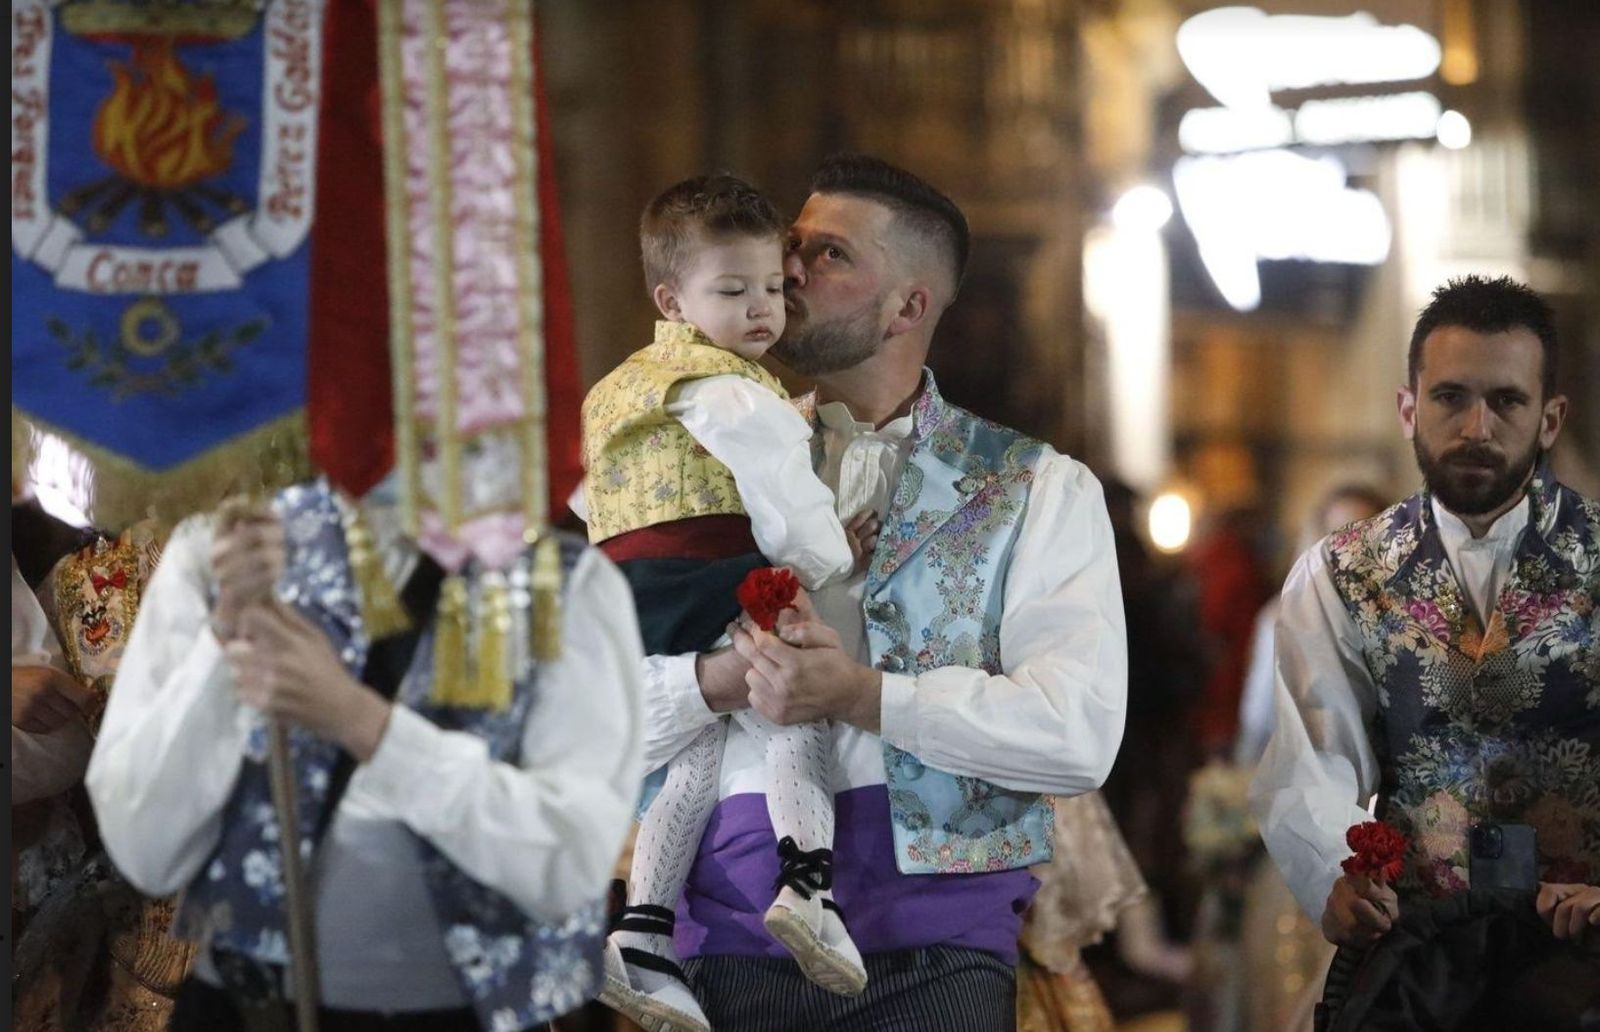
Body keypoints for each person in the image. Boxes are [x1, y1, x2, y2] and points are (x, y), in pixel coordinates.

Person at [636, 154, 1128, 1031]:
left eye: (827, 255)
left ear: (910, 305)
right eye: (790, 245)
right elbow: (597, 716)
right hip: (725, 950)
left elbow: (1076, 734)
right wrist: (718, 680)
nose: (787, 270)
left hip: (934, 954)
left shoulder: (1039, 488)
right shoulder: (703, 460)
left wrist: (862, 696)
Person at [84, 480, 646, 1031]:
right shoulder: (216, 552)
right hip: (243, 1005)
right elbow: (146, 854)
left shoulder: (559, 580)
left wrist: (369, 727)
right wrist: (222, 639)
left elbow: (571, 862)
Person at [1251, 275, 1600, 1022]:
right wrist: (1337, 877)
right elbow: (1313, 760)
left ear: (1549, 419)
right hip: (1417, 963)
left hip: (1586, 958)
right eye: (1450, 397)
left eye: (1506, 400)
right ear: (1408, 407)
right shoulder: (1341, 573)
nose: (1477, 426)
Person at [584, 174, 872, 1031]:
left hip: (631, 588)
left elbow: (586, 500)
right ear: (673, 299)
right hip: (709, 574)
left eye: (775, 290)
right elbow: (787, 495)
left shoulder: (619, 389)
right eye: (735, 291)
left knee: (691, 764)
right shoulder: (735, 392)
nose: (764, 312)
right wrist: (824, 557)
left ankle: (641, 932)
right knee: (792, 712)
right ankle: (808, 884)